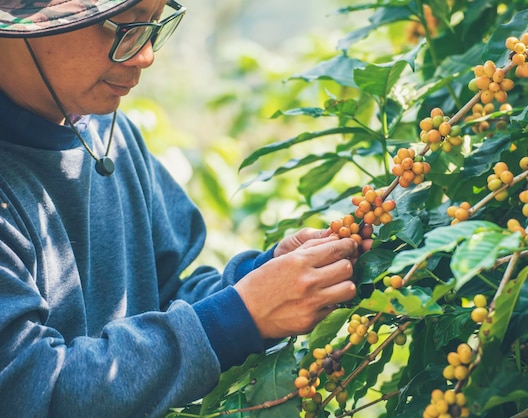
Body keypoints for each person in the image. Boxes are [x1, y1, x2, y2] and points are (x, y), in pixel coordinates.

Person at [0, 1, 360, 417]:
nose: (145, 54)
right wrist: (240, 316)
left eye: (154, 24)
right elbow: (32, 391)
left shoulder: (109, 136)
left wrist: (261, 280)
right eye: (121, 26)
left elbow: (165, 295)